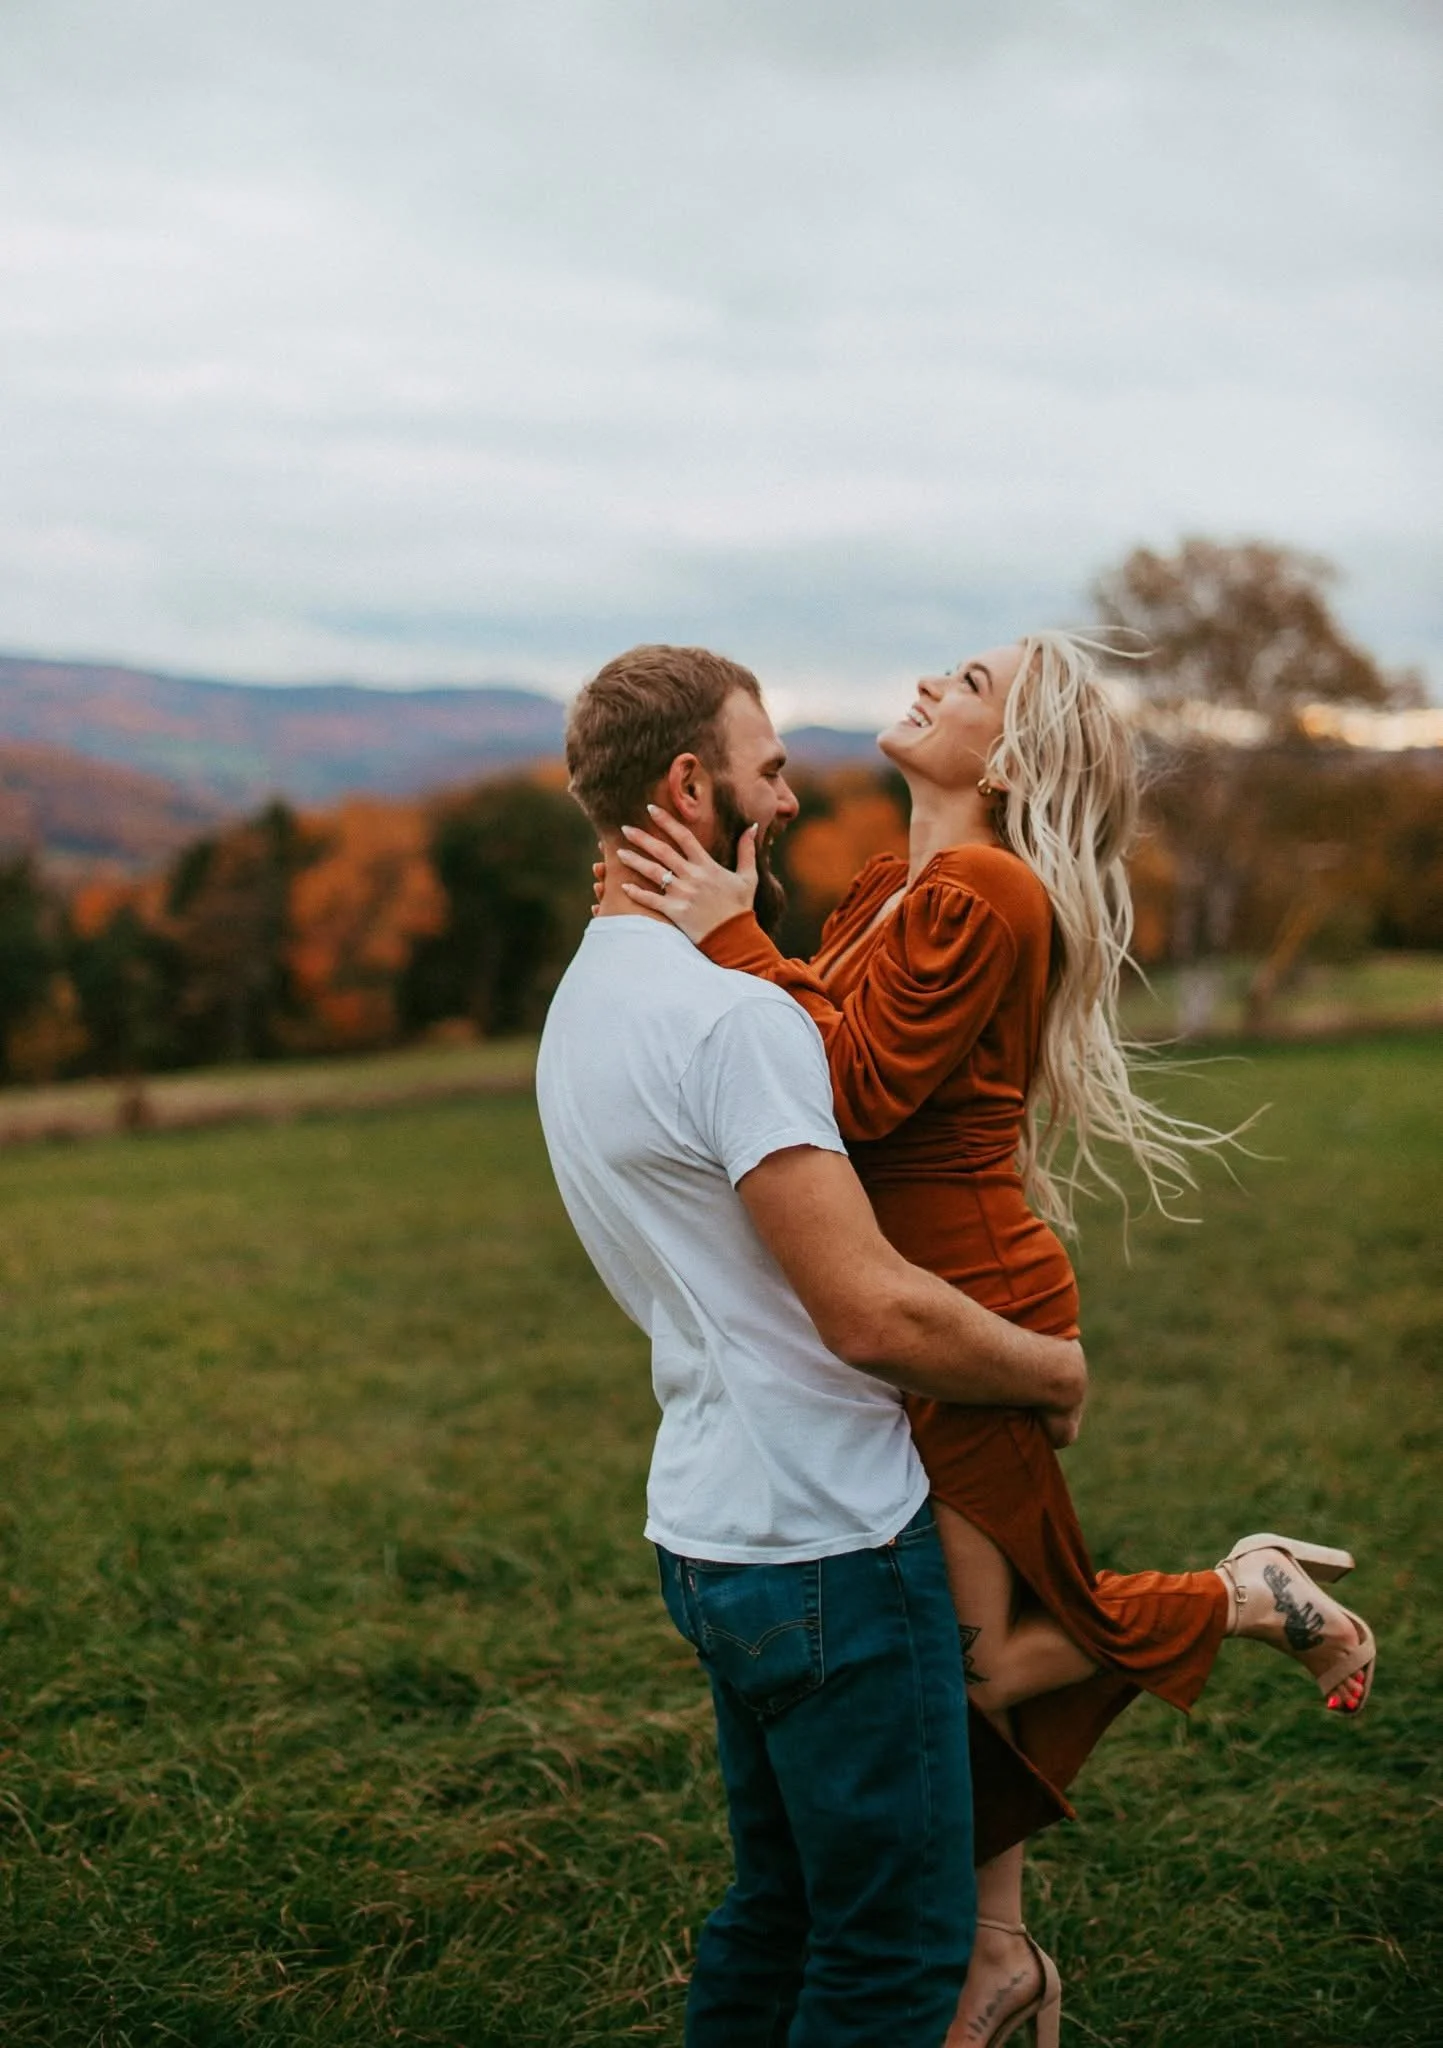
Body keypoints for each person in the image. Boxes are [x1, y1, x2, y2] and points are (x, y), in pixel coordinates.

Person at [613, 631, 1377, 2048]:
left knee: (971, 1659)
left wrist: (728, 937)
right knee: (968, 1645)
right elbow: (825, 1031)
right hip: (905, 1304)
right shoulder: (897, 884)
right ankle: (998, 1955)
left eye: (968, 688)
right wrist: (758, 944)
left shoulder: (984, 887)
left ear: (1013, 759)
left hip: (960, 1305)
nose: (929, 686)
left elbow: (842, 1089)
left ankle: (1242, 1596)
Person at [536, 643, 1088, 2048]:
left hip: (705, 1522)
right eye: (768, 771)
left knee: (773, 1910)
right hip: (830, 1541)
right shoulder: (733, 1016)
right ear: (687, 783)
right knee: (893, 1956)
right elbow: (870, 1312)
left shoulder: (584, 1007)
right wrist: (1048, 1369)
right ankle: (1229, 1604)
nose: (785, 801)